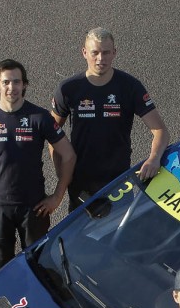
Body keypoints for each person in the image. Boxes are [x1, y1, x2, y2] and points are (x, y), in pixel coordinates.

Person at [0, 59, 76, 269]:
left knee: (39, 268)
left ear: (24, 85)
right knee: (0, 270)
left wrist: (57, 196)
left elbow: (69, 155)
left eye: (17, 82)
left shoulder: (40, 117)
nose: (12, 88)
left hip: (34, 208)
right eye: (6, 82)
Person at [51, 27, 169, 211]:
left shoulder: (130, 87)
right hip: (80, 183)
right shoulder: (68, 89)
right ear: (84, 53)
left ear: (114, 53)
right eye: (95, 52)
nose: (101, 58)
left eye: (106, 52)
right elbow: (53, 135)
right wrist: (63, 175)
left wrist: (154, 158)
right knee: (81, 239)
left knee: (118, 237)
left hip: (119, 181)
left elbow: (160, 131)